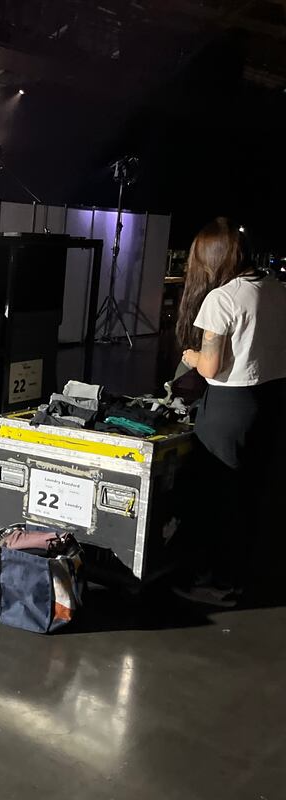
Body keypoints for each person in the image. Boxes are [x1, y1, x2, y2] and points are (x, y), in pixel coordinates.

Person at [175, 217, 286, 606]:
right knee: (249, 493)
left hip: (229, 408)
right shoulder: (274, 288)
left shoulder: (221, 299)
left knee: (217, 494)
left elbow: (209, 367)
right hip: (270, 400)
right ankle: (237, 577)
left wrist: (189, 355)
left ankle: (216, 585)